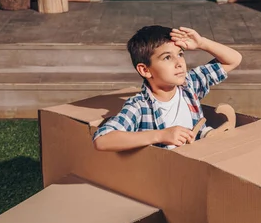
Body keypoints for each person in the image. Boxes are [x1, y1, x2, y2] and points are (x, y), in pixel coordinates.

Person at [93, 25, 242, 151]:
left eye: (180, 54)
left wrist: (202, 43)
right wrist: (160, 135)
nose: (179, 63)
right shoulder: (139, 106)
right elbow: (102, 139)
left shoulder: (189, 85)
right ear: (145, 70)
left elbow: (233, 60)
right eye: (167, 57)